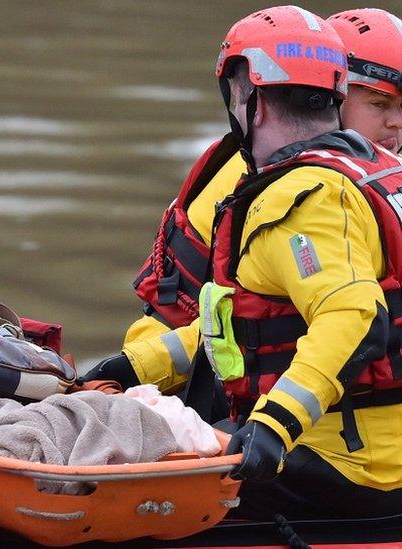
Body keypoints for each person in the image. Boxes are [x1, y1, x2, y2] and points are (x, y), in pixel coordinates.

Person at [116, 5, 402, 520]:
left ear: (252, 100)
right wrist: (138, 366)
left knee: (114, 461)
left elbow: (353, 322)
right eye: (379, 101)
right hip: (345, 430)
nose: (395, 123)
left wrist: (272, 428)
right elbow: (243, 324)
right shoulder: (371, 178)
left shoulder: (296, 196)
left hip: (347, 457)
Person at [83, 7, 402, 398]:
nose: (396, 123)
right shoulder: (262, 181)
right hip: (202, 371)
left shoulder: (373, 174)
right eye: (379, 103)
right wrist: (134, 374)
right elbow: (223, 318)